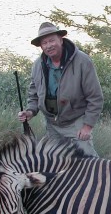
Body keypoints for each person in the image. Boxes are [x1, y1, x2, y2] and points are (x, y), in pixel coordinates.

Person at [18, 22, 103, 157]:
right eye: (44, 43)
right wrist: (30, 111)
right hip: (51, 124)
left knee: (89, 162)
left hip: (76, 122)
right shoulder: (37, 65)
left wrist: (87, 126)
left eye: (52, 40)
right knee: (55, 163)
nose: (49, 45)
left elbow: (95, 97)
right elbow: (33, 94)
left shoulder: (82, 61)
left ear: (61, 40)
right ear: (41, 46)